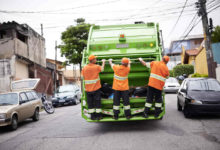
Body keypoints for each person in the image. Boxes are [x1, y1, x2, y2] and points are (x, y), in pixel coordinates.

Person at [81, 55, 105, 120]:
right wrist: (103, 62)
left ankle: (92, 116)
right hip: (96, 88)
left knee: (90, 103)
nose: (96, 60)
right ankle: (99, 116)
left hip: (88, 90)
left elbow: (82, 77)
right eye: (95, 59)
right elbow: (102, 69)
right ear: (93, 60)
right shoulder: (96, 67)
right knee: (97, 103)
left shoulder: (84, 68)